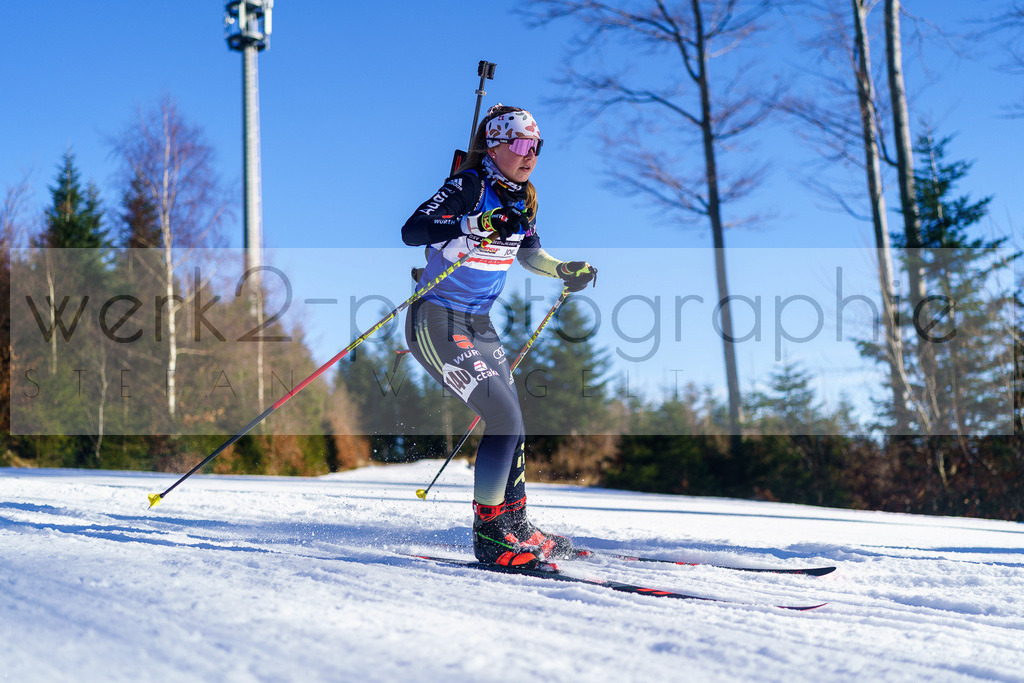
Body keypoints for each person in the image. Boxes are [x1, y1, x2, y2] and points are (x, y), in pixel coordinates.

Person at [401, 105, 597, 569]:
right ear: (495, 147)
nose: (530, 155)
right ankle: (490, 534)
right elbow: (413, 230)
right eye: (522, 145)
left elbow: (530, 254)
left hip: (480, 324)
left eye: (537, 147)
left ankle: (515, 523)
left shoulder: (525, 197)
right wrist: (480, 223)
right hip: (437, 320)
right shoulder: (469, 186)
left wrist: (563, 269)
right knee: (502, 416)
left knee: (515, 423)